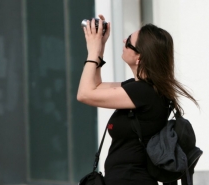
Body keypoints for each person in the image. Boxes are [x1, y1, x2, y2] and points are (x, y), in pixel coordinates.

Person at [77, 15, 199, 185]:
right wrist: (100, 48)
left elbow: (84, 94)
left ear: (139, 57)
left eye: (128, 42)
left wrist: (93, 51)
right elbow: (95, 87)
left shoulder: (143, 92)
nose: (123, 41)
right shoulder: (142, 89)